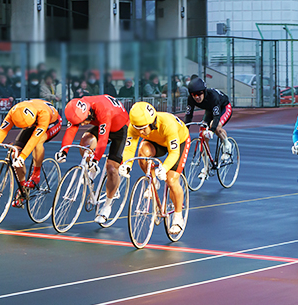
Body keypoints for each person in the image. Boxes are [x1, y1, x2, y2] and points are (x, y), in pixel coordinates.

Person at [56, 95, 130, 223]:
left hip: (120, 128)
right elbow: (71, 130)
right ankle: (92, 171)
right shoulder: (78, 108)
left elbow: (103, 139)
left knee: (111, 168)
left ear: (89, 113)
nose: (83, 124)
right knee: (85, 140)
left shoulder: (103, 110)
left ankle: (107, 205)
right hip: (101, 123)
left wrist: (96, 160)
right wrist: (64, 151)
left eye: (84, 121)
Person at [120, 102, 190, 235]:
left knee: (171, 180)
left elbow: (174, 153)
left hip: (178, 142)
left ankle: (178, 216)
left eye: (143, 128)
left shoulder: (167, 124)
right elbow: (130, 148)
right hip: (156, 141)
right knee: (142, 152)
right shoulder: (135, 127)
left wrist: (164, 168)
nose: (139, 132)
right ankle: (154, 183)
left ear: (152, 122)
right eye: (137, 128)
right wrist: (127, 165)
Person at [0, 99, 63, 206]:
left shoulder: (44, 114)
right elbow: (3, 130)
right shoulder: (14, 112)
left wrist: (23, 157)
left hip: (51, 123)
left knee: (38, 142)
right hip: (32, 121)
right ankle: (23, 188)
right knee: (15, 152)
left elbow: (34, 138)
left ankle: (36, 174)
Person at [184, 77, 233, 178]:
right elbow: (188, 116)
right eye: (194, 94)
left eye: (199, 94)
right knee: (202, 133)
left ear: (204, 91)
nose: (197, 97)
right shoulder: (190, 99)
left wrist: (211, 130)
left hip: (223, 107)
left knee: (215, 127)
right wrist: (184, 131)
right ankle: (207, 166)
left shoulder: (213, 96)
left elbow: (216, 117)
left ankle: (227, 145)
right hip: (209, 109)